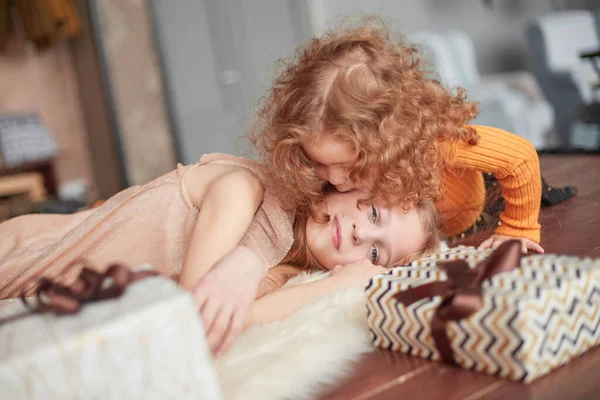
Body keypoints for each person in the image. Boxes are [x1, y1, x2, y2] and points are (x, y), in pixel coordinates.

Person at [0, 153, 439, 356]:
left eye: (377, 253)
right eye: (375, 211)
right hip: (19, 254)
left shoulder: (285, 265)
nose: (363, 234)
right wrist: (244, 264)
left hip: (31, 301)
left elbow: (238, 318)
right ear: (350, 183)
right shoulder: (247, 186)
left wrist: (336, 283)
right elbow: (196, 308)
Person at [250, 18, 575, 257]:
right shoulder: (336, 176)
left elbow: (519, 157)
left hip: (472, 204)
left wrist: (518, 229)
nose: (335, 179)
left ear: (392, 139)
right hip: (429, 220)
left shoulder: (438, 142)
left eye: (348, 165)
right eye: (319, 163)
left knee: (535, 193)